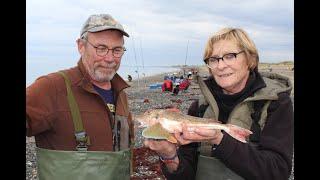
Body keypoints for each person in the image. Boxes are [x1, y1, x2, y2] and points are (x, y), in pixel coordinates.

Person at [144, 27, 293, 180]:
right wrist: (169, 155)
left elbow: (278, 172)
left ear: (250, 60)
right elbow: (186, 175)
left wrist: (218, 139)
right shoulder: (200, 108)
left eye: (230, 56)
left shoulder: (276, 104)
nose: (220, 66)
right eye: (213, 59)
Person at [26, 14, 133, 180]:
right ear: (81, 46)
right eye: (101, 48)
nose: (110, 58)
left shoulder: (121, 94)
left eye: (117, 50)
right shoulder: (52, 87)